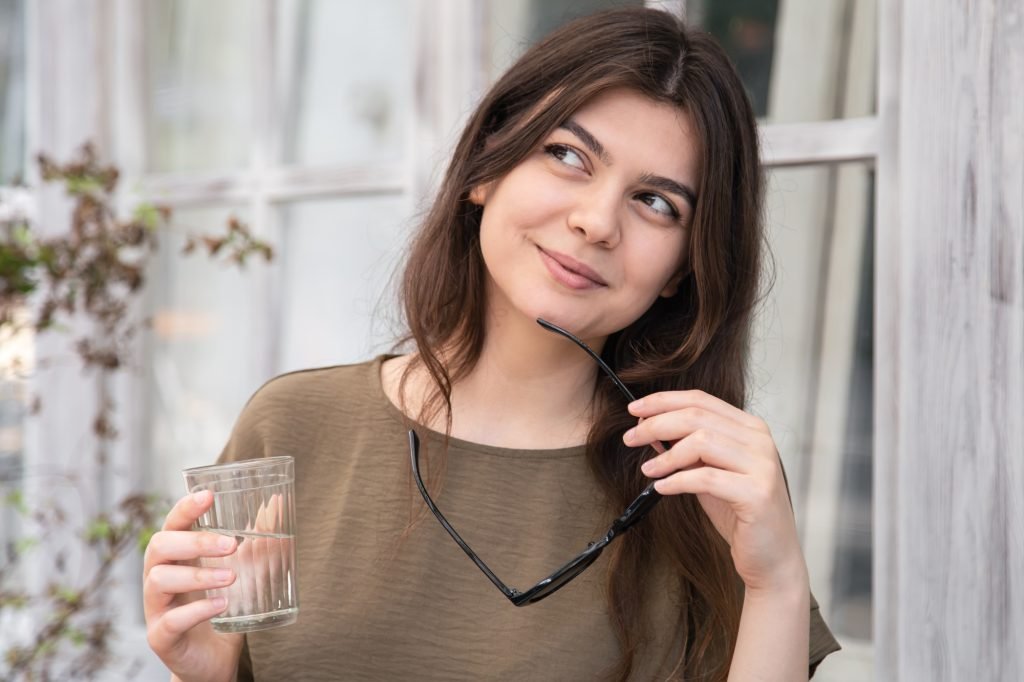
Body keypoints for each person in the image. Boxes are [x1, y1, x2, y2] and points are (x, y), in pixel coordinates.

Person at [143, 7, 841, 681]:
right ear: (486, 166)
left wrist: (776, 583)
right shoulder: (293, 425)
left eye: (657, 203)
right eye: (567, 155)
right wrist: (205, 678)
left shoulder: (704, 478)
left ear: (683, 268)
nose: (596, 221)